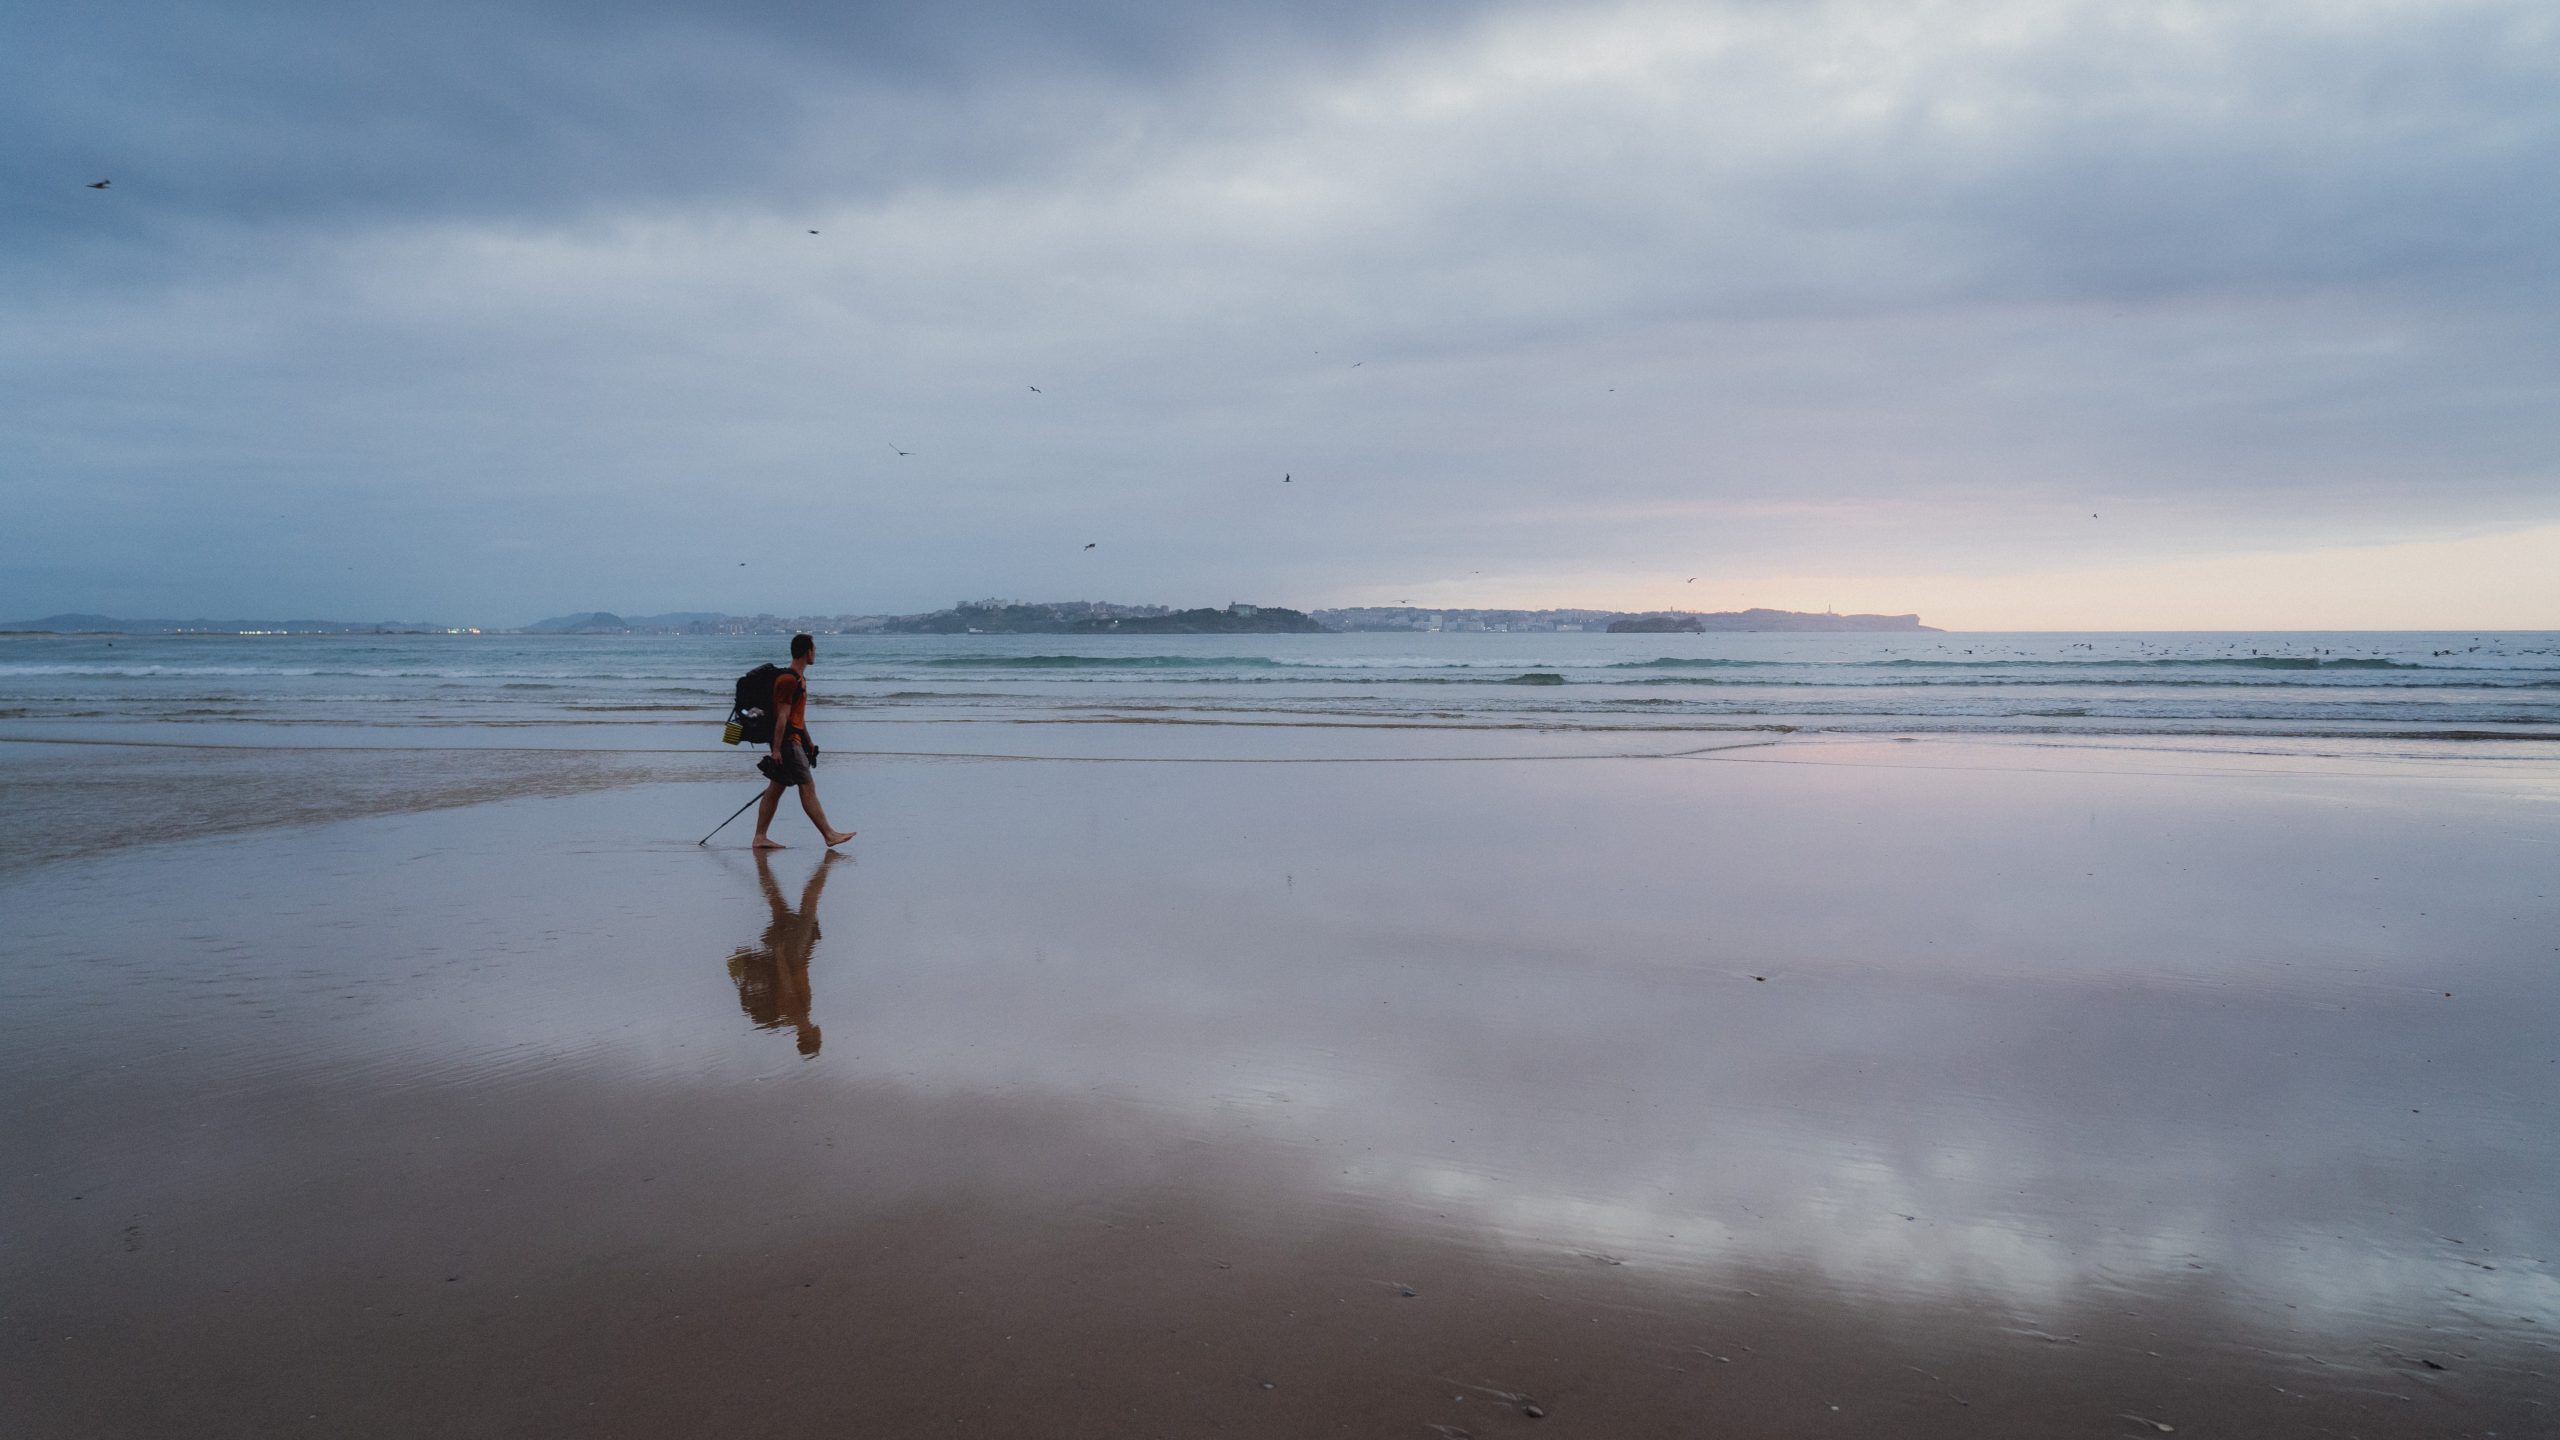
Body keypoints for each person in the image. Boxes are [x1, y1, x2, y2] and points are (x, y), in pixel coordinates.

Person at [752, 633, 855, 850]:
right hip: (787, 743)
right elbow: (782, 716)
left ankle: (760, 837)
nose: (815, 652)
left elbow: (797, 716)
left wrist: (808, 741)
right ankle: (829, 834)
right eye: (814, 649)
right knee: (807, 786)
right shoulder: (789, 680)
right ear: (808, 651)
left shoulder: (799, 679)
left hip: (793, 740)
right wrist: (777, 749)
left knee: (775, 788)